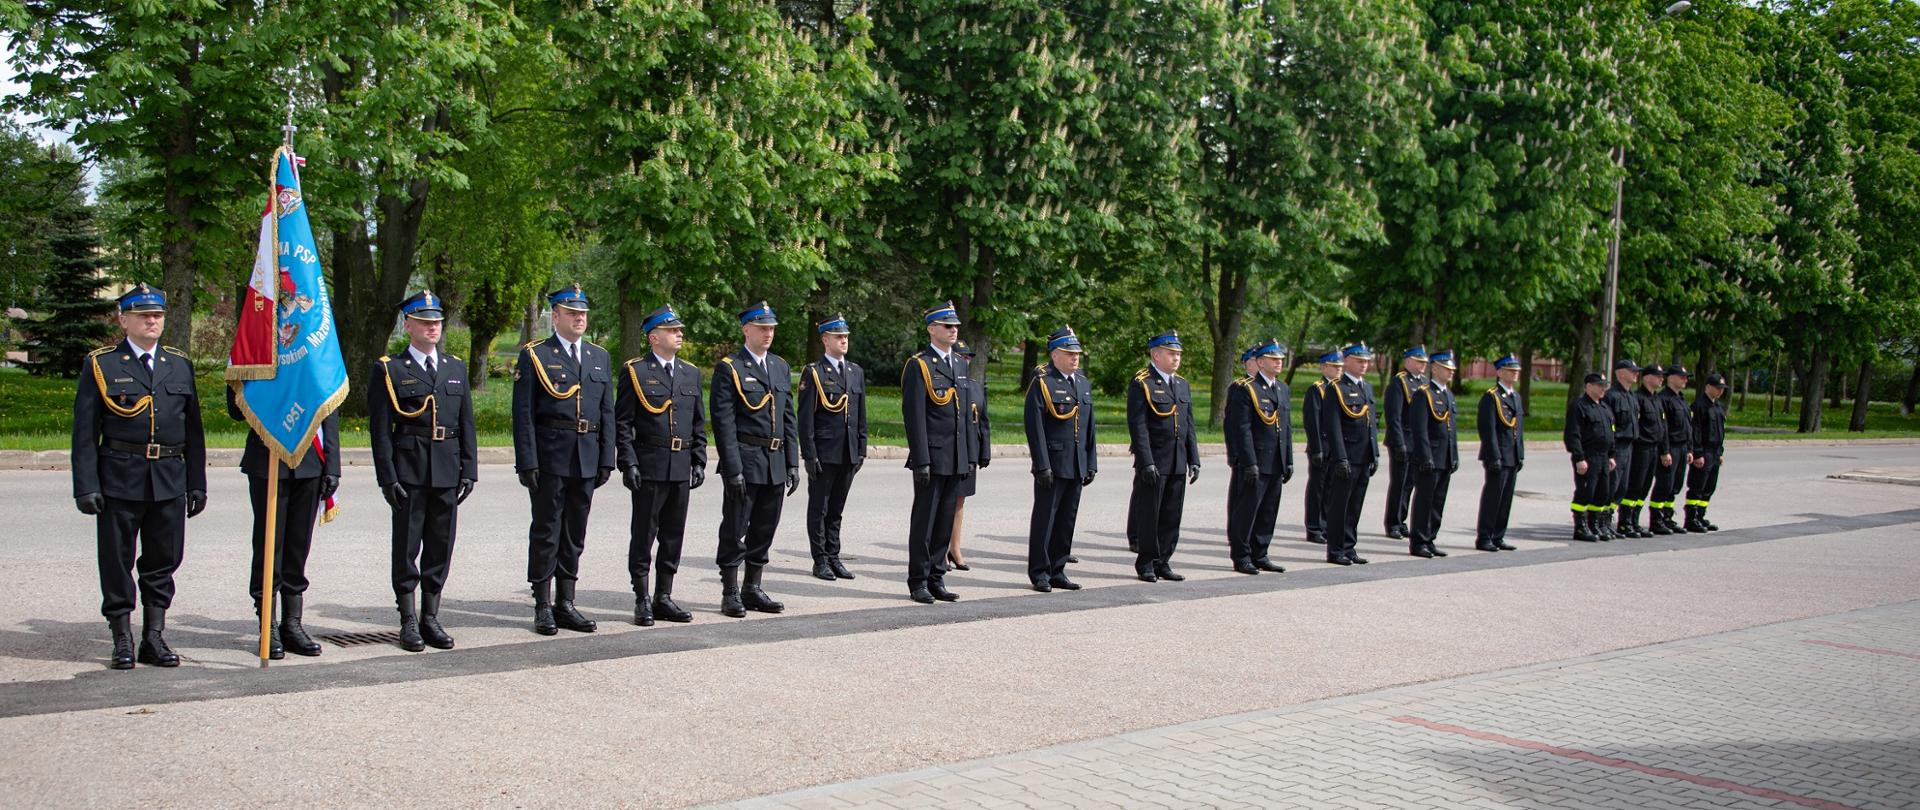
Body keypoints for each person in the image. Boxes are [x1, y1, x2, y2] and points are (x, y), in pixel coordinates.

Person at [72, 284, 206, 669]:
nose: (152, 321)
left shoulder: (178, 364)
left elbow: (192, 430)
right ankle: (121, 637)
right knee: (117, 560)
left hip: (168, 477)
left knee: (164, 559)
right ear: (123, 319)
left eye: (158, 315)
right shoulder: (103, 364)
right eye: (143, 315)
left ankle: (154, 636)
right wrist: (86, 485)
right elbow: (84, 432)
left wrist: (196, 482)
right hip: (119, 477)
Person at [368, 290, 474, 651]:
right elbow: (380, 430)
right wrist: (388, 477)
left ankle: (431, 616)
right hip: (410, 469)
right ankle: (408, 619)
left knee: (440, 546)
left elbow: (466, 422)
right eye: (425, 321)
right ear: (408, 324)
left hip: (447, 467)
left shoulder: (454, 367)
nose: (433, 327)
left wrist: (469, 469)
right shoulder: (390, 368)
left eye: (437, 321)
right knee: (407, 547)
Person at [512, 283, 616, 635]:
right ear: (555, 316)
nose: (579, 319)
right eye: (572, 313)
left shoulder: (598, 357)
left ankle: (566, 601)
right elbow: (523, 414)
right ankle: (542, 603)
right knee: (546, 530)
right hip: (551, 455)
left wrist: (607, 457)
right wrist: (527, 461)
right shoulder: (537, 355)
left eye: (583, 313)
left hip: (586, 454)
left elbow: (607, 412)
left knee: (575, 532)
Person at [231, 375, 340, 658]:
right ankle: (267, 623)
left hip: (309, 459)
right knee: (269, 546)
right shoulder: (259, 345)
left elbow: (328, 400)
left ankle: (292, 623)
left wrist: (333, 465)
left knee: (297, 546)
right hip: (267, 457)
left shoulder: (311, 342)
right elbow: (235, 411)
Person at [614, 304, 706, 626]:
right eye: (672, 330)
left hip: (680, 466)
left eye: (679, 330)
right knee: (644, 534)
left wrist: (699, 459)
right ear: (654, 337)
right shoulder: (636, 371)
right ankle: (641, 597)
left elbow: (698, 423)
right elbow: (622, 423)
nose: (679, 334)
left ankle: (664, 596)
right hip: (650, 464)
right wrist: (628, 463)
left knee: (673, 535)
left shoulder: (690, 373)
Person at [711, 301, 800, 617]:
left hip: (775, 460)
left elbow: (788, 416)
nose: (768, 333)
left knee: (765, 527)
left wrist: (792, 461)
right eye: (762, 328)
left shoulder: (779, 366)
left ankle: (753, 587)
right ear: (746, 329)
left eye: (771, 328)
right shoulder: (730, 368)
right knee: (735, 527)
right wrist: (732, 467)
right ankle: (730, 590)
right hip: (746, 459)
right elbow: (724, 423)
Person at [901, 302, 979, 603]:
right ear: (932, 329)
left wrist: (968, 456)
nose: (953, 329)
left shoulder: (959, 365)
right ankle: (918, 580)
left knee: (945, 520)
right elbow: (915, 415)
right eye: (947, 325)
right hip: (932, 457)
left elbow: (964, 417)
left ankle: (936, 576)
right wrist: (921, 459)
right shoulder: (919, 365)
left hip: (956, 456)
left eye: (955, 325)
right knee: (925, 521)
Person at [1025, 327, 1096, 591]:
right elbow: (1035, 428)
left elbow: (1090, 428)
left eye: (1076, 353)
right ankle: (1040, 572)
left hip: (1076, 463)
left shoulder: (1082, 382)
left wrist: (1091, 462)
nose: (1074, 357)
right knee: (1046, 519)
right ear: (1055, 355)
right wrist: (1041, 464)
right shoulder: (1043, 382)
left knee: (1067, 519)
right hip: (1053, 464)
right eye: (1068, 353)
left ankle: (1058, 569)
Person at [1127, 330, 1201, 582]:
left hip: (1178, 460)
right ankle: (1146, 563)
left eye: (1178, 354)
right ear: (1156, 355)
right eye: (1171, 353)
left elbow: (1188, 424)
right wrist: (1145, 461)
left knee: (1171, 515)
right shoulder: (1142, 383)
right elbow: (1138, 426)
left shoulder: (1181, 384)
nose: (1176, 358)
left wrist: (1194, 458)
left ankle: (1163, 561)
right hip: (1156, 461)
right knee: (1150, 514)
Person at [798, 313, 867, 581]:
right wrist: (809, 454)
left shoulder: (855, 372)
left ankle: (834, 555)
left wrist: (861, 447)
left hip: (848, 451)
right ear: (825, 340)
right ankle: (820, 559)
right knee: (820, 507)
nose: (844, 341)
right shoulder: (814, 372)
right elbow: (806, 419)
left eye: (846, 336)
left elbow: (861, 414)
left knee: (837, 508)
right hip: (825, 451)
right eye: (838, 337)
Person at [1222, 338, 1292, 575]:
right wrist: (1248, 461)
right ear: (1260, 362)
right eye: (1274, 359)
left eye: (1280, 359)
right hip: (1256, 460)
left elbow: (1286, 428)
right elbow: (1241, 428)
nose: (1279, 362)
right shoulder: (1246, 389)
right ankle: (1242, 556)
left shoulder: (1281, 389)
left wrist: (1288, 459)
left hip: (1275, 461)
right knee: (1247, 510)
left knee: (1268, 511)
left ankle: (1260, 553)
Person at [1319, 342, 1378, 565]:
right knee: (1340, 505)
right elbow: (1333, 426)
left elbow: (1371, 424)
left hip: (1363, 456)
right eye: (1359, 361)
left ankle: (1349, 546)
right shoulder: (1336, 388)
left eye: (1366, 361)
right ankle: (1335, 550)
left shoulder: (1367, 388)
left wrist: (1374, 454)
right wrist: (1340, 457)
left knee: (1355, 504)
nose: (1364, 365)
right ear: (1347, 361)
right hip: (1347, 456)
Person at [1406, 349, 1458, 558]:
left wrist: (1453, 455)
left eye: (1452, 369)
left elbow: (1451, 430)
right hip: (1429, 458)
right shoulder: (1423, 394)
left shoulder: (1448, 395)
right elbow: (1420, 429)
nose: (1451, 372)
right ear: (1435, 368)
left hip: (1444, 457)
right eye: (1447, 368)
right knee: (1424, 501)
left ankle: (1430, 538)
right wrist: (1425, 456)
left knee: (1438, 501)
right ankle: (1419, 542)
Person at [1475, 354, 1525, 552]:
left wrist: (1520, 454)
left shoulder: (1516, 397)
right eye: (1510, 371)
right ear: (1499, 372)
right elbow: (1488, 429)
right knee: (1493, 497)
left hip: (1512, 455)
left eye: (1516, 371)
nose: (1514, 374)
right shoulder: (1492, 397)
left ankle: (1498, 535)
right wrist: (1493, 455)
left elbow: (1518, 430)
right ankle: (1485, 536)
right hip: (1498, 455)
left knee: (1506, 499)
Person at [947, 340, 990, 572]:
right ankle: (939, 549)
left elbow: (983, 421)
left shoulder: (974, 386)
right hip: (949, 451)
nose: (966, 361)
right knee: (943, 502)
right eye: (961, 356)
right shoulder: (946, 384)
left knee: (960, 502)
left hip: (969, 451)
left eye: (968, 357)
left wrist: (985, 451)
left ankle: (955, 547)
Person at [1382, 345, 1430, 540]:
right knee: (1399, 483)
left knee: (1410, 483)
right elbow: (1393, 417)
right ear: (1407, 361)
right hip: (1403, 440)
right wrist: (1399, 443)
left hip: (1418, 442)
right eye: (1419, 362)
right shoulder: (1399, 383)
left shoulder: (1424, 383)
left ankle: (1401, 520)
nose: (1422, 366)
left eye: (1424, 363)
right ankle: (1392, 522)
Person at [1564, 372, 1616, 542]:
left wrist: (1611, 455)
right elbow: (1573, 434)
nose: (1603, 388)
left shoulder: (1604, 407)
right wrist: (1579, 458)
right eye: (1599, 385)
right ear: (1588, 386)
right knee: (1585, 492)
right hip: (1588, 456)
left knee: (1602, 493)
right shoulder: (1579, 407)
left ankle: (1594, 524)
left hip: (1603, 457)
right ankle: (1580, 527)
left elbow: (1610, 433)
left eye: (1604, 385)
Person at [1301, 349, 1342, 545]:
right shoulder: (1317, 389)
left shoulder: (1341, 388)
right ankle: (1314, 527)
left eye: (1341, 367)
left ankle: (1326, 524)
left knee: (1333, 489)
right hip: (1322, 446)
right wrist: (1316, 448)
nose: (1339, 370)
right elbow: (1313, 421)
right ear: (1324, 367)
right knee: (1318, 488)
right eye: (1335, 366)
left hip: (1337, 448)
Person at [1652, 365, 1695, 534]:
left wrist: (1690, 449)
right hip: (1670, 448)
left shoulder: (1681, 399)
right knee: (1664, 484)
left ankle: (1667, 517)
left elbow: (1688, 427)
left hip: (1682, 447)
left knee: (1675, 486)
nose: (1685, 380)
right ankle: (1656, 519)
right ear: (1670, 378)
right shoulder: (1663, 399)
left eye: (1686, 377)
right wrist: (1665, 451)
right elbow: (1664, 429)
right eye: (1682, 377)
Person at [1627, 365, 1668, 537]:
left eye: (1662, 376)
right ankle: (1626, 521)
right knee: (1635, 485)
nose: (1661, 379)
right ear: (1646, 378)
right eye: (1658, 376)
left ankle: (1635, 520)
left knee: (1645, 486)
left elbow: (1663, 426)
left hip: (1654, 448)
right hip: (1641, 448)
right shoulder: (1638, 398)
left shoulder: (1657, 399)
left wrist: (1664, 450)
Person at [1685, 372, 1728, 532]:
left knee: (1709, 487)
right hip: (1703, 452)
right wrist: (1698, 453)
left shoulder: (1718, 407)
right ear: (1708, 387)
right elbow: (1695, 432)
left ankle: (1701, 516)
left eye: (1722, 388)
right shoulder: (1699, 406)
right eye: (1717, 388)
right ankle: (1690, 519)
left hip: (1715, 453)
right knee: (1697, 486)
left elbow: (1720, 432)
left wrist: (1721, 453)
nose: (1720, 391)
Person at [1603, 359, 1642, 539]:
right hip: (1617, 445)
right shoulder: (1612, 396)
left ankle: (1610, 520)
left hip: (1629, 446)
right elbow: (1608, 425)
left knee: (1622, 487)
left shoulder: (1631, 396)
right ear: (1620, 373)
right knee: (1612, 485)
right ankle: (1601, 521)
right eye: (1632, 370)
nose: (1636, 373)